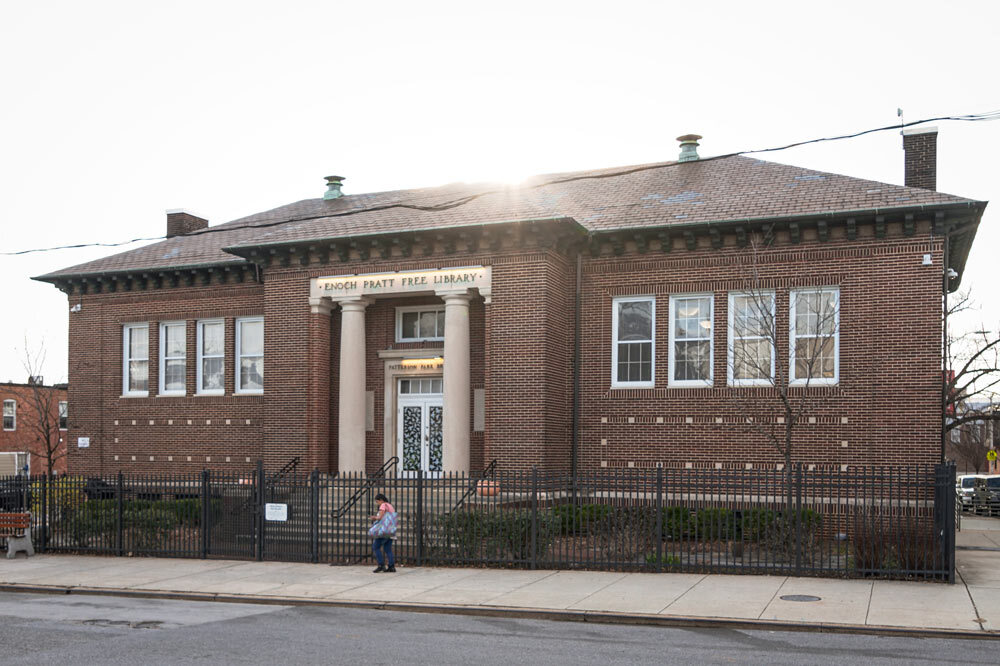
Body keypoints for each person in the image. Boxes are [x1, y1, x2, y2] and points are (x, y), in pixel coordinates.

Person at [369, 492, 396, 573]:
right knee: (388, 549)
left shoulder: (383, 505)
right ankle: (391, 566)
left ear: (381, 500)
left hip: (383, 531)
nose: (377, 504)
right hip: (391, 530)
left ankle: (381, 565)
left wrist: (374, 518)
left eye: (377, 502)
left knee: (375, 547)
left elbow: (380, 517)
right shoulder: (390, 505)